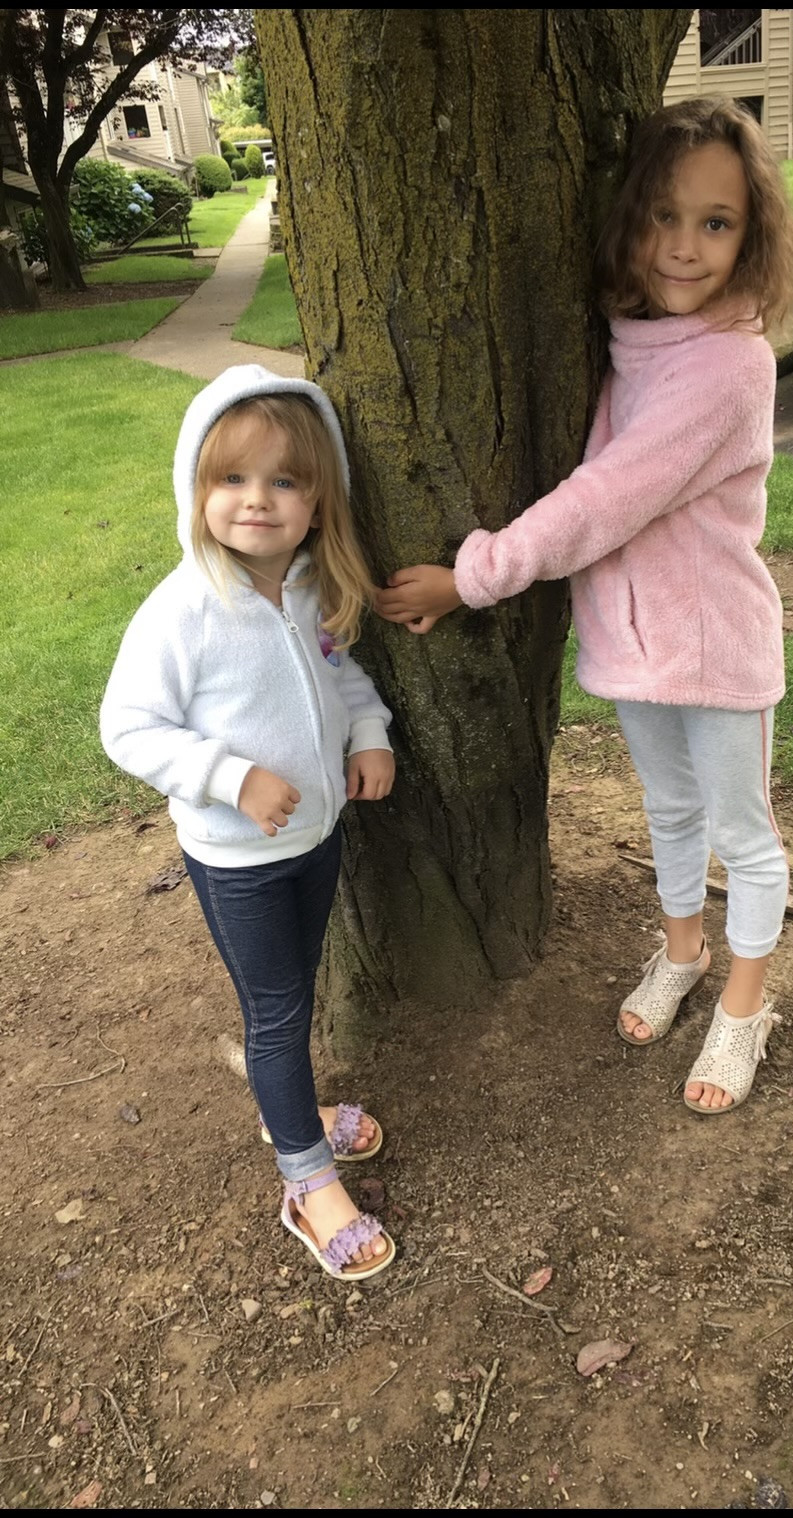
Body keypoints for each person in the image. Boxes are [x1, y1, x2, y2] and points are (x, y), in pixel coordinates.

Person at [376, 97, 793, 1115]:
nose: (684, 247)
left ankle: (745, 1005)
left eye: (716, 222)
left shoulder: (730, 365)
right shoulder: (634, 345)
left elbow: (604, 498)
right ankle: (683, 952)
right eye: (663, 216)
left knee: (742, 834)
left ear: (751, 236)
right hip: (637, 646)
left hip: (719, 648)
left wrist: (472, 576)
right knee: (668, 810)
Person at [101, 365, 397, 1278]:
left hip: (316, 840)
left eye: (283, 480)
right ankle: (307, 1181)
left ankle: (292, 1111)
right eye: (231, 477)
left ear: (318, 500)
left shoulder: (306, 585)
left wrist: (370, 733)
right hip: (238, 859)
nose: (257, 499)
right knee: (275, 1011)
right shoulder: (184, 609)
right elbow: (128, 727)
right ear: (197, 488)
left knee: (293, 991)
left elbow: (340, 672)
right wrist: (230, 778)